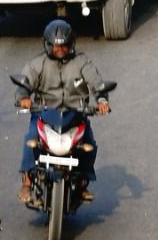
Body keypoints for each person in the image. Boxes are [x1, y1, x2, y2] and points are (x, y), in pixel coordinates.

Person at [15, 20, 110, 202]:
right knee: (31, 138)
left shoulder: (82, 62)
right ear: (47, 45)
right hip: (45, 113)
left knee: (89, 144)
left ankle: (82, 183)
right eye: (55, 46)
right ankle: (27, 181)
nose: (60, 49)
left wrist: (102, 101)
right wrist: (23, 98)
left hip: (76, 114)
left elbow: (97, 84)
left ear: (71, 44)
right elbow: (23, 85)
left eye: (64, 46)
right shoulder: (38, 64)